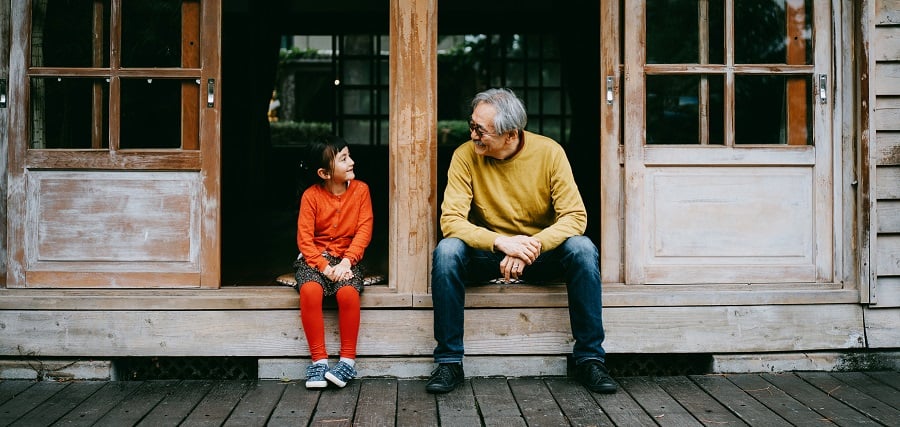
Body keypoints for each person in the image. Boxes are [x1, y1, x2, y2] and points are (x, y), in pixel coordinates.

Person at [426, 88, 616, 394]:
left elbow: (575, 217)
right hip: (491, 256)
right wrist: (502, 242)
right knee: (447, 251)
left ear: (510, 134)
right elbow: (451, 221)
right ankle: (449, 362)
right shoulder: (465, 156)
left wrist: (531, 245)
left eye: (480, 130)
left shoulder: (549, 152)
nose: (472, 134)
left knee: (582, 248)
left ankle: (590, 359)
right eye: (471, 125)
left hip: (540, 255)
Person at [294, 136, 373, 389]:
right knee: (310, 290)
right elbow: (305, 240)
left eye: (349, 156)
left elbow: (364, 230)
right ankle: (319, 362)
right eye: (343, 159)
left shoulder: (361, 191)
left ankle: (347, 362)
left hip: (349, 259)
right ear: (324, 173)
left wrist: (347, 262)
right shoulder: (311, 197)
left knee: (348, 293)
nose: (351, 162)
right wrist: (325, 268)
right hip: (315, 260)